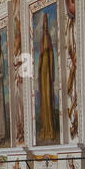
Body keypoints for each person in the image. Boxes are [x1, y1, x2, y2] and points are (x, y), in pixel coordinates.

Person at [36, 13, 57, 143]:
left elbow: (50, 53)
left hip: (47, 74)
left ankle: (50, 129)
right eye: (43, 22)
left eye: (45, 22)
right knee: (43, 100)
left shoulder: (48, 37)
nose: (44, 24)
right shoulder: (42, 39)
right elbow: (41, 54)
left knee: (48, 99)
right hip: (42, 74)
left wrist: (50, 72)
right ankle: (45, 128)